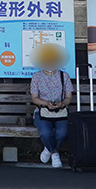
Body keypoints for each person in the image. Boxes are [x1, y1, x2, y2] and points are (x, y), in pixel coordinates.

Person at [27, 41, 72, 169]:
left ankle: (48, 148)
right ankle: (55, 153)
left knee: (63, 132)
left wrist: (62, 103)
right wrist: (45, 103)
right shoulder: (36, 77)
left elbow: (69, 97)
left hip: (61, 111)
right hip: (42, 111)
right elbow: (35, 98)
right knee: (45, 133)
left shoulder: (64, 76)